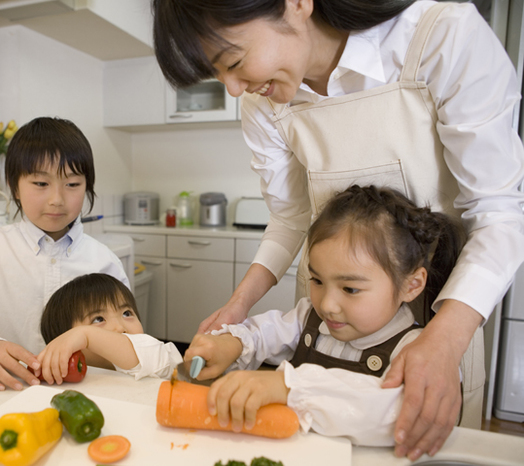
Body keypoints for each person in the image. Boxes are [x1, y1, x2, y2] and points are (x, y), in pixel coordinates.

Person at [151, 0, 524, 460]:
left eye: (234, 61)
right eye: (218, 74)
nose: (233, 89)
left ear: (296, 4)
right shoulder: (262, 101)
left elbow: (498, 211)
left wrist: (445, 337)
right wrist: (239, 307)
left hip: (445, 317)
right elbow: (290, 215)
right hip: (332, 337)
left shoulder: (441, 37)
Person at [185, 185, 466, 446]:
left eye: (350, 288)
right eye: (317, 281)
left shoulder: (416, 349)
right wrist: (231, 344)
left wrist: (287, 387)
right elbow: (263, 333)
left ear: (411, 285)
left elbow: (390, 409)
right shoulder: (309, 317)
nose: (328, 304)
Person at [0, 117, 130, 392]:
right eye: (40, 183)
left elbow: (133, 340)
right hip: (9, 389)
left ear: (87, 186)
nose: (56, 199)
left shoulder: (104, 261)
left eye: (72, 184)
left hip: (90, 391)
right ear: (14, 186)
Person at [39, 273, 183, 382]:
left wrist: (86, 334)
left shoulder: (156, 358)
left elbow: (151, 356)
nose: (120, 328)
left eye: (127, 313)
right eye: (98, 319)